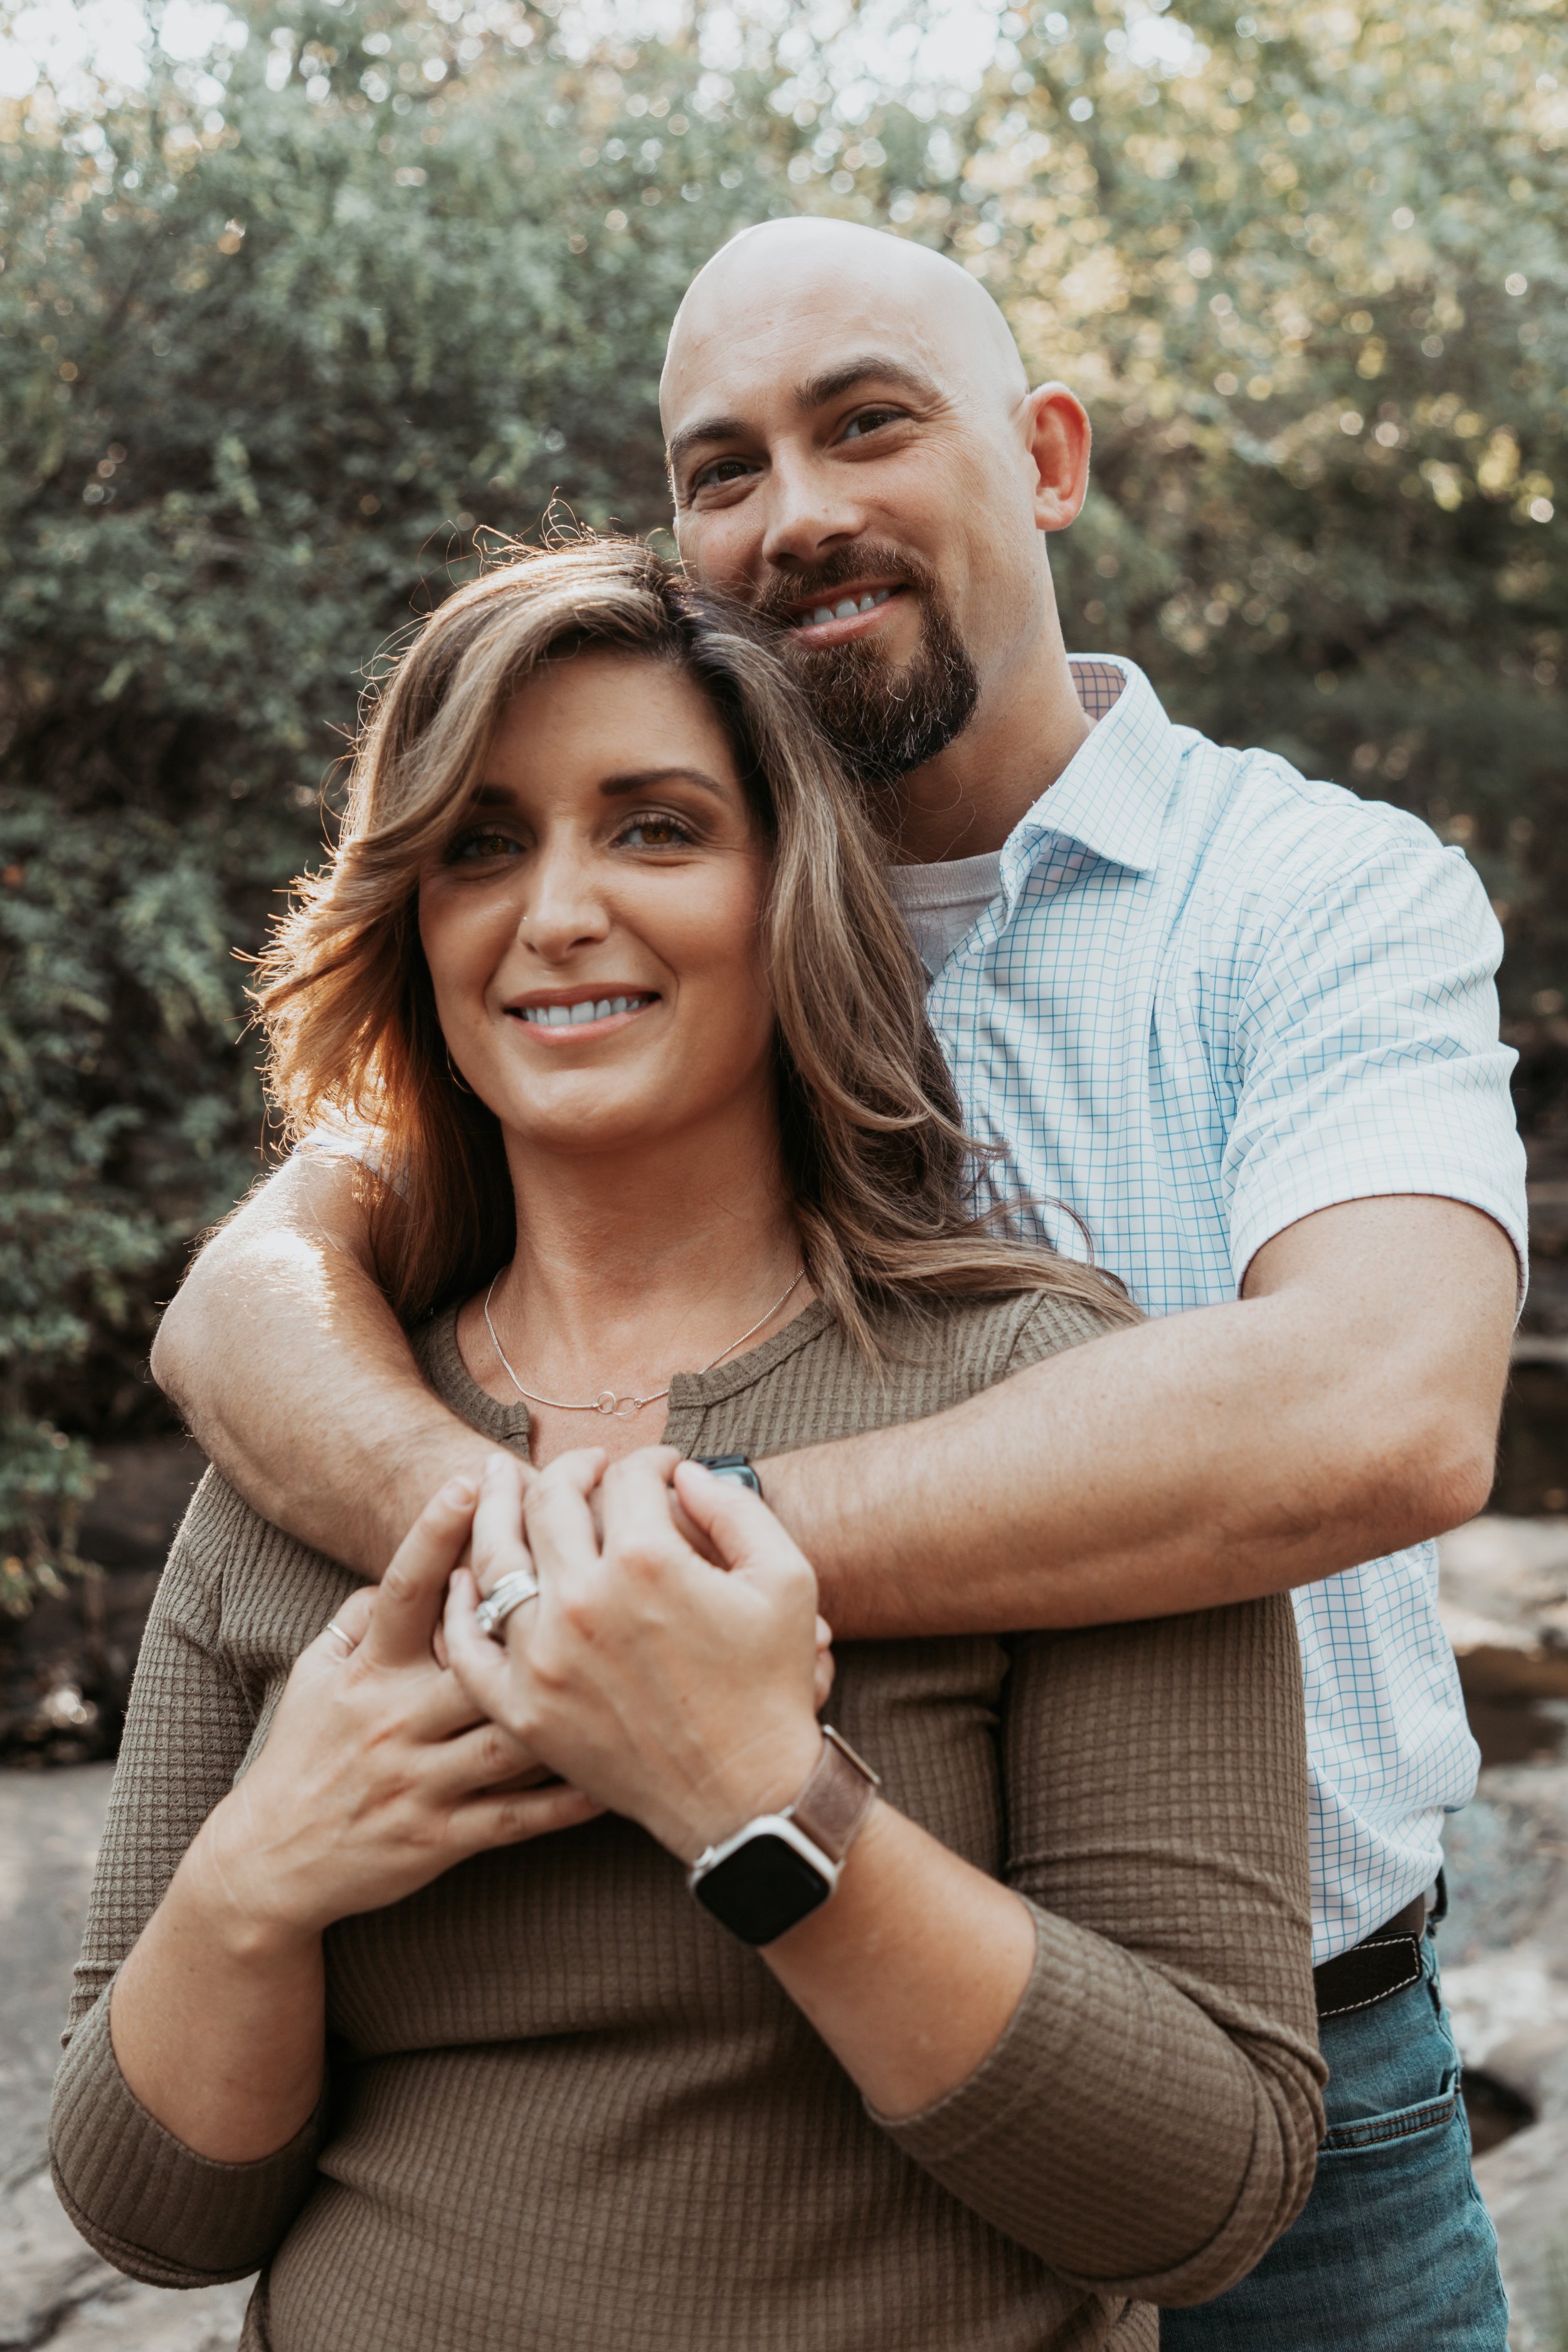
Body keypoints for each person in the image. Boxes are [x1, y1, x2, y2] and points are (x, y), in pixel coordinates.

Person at [149, 221, 1524, 2348]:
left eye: (868, 425)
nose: (796, 515)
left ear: (1046, 454)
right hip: (781, 2100)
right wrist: (494, 1549)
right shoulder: (646, 910)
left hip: (1292, 2074)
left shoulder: (1309, 896)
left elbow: (1384, 1407)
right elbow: (262, 1279)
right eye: (721, 470)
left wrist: (650, 1571)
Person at [52, 543, 1321, 2352]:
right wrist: (261, 1879)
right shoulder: (315, 1434)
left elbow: (1202, 2194)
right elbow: (148, 2208)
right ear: (413, 913)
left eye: (654, 827)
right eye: (482, 843)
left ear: (789, 887)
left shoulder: (1040, 1398)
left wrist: (757, 1808)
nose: (556, 909)